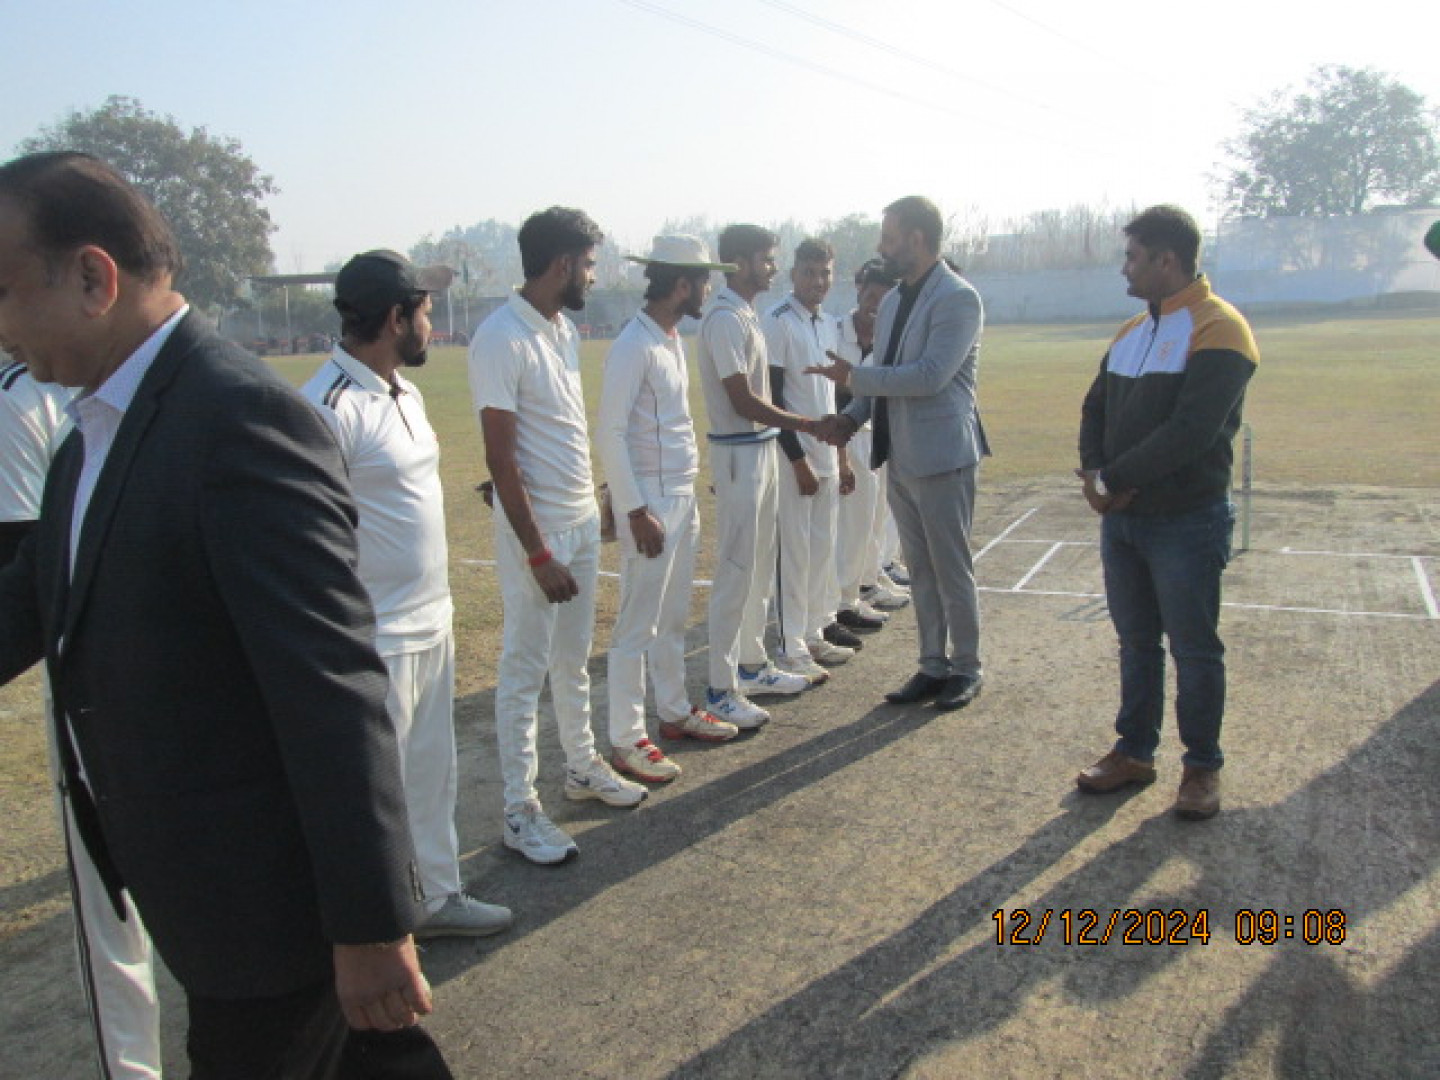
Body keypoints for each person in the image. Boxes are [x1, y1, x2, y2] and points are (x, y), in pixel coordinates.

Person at [0, 151, 451, 1077]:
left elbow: (331, 686)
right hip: (202, 897)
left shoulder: (237, 419)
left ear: (92, 278)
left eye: (0, 291)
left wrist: (371, 924)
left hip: (270, 912)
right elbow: (35, 599)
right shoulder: (88, 435)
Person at [301, 250, 512, 937]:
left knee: (430, 775)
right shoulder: (326, 407)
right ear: (396, 317)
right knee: (371, 795)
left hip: (431, 619)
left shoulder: (404, 393)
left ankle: (436, 898)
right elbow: (309, 539)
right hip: (375, 635)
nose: (433, 325)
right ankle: (372, 927)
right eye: (426, 311)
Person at [468, 207, 647, 867]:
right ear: (563, 263)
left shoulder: (562, 329)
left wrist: (595, 501)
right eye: (589, 264)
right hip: (538, 538)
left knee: (573, 659)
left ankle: (581, 766)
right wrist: (538, 551)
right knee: (523, 669)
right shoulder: (500, 336)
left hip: (579, 522)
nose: (593, 277)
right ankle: (520, 811)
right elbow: (501, 459)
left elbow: (562, 429)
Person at [2, 358, 164, 1079]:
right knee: (113, 911)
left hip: (191, 689)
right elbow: (24, 576)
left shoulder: (182, 388)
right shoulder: (22, 399)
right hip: (95, 696)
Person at [1073, 204, 1259, 821]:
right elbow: (1095, 407)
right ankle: (1134, 752)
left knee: (1194, 649)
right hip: (1123, 519)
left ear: (1167, 259)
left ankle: (1202, 766)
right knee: (1136, 644)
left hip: (1186, 520)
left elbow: (1191, 432)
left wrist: (1114, 479)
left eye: (1133, 257)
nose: (1124, 268)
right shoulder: (1132, 330)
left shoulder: (1220, 328)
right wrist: (1095, 476)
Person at [811, 196, 990, 712]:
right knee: (921, 569)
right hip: (902, 455)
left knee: (951, 568)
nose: (881, 247)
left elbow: (929, 376)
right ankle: (932, 665)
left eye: (889, 238)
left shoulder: (958, 298)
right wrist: (851, 417)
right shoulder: (892, 301)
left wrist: (854, 378)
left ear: (917, 238)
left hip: (944, 455)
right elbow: (882, 373)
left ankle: (967, 666)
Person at [598, 236, 742, 784]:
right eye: (704, 280)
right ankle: (626, 738)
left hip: (680, 494)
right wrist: (635, 510)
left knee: (673, 618)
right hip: (651, 502)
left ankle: (675, 712)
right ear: (682, 284)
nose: (709, 289)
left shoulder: (670, 338)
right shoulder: (633, 344)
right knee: (636, 625)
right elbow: (610, 432)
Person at [697, 224, 822, 729]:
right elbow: (742, 401)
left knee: (760, 564)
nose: (772, 268)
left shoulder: (746, 314)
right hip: (737, 454)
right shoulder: (723, 318)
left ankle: (752, 665)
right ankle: (720, 687)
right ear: (739, 263)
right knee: (735, 571)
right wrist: (806, 424)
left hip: (761, 449)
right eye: (766, 259)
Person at [763, 238, 861, 679]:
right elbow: (773, 398)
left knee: (822, 549)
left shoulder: (828, 325)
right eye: (809, 272)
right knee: (795, 554)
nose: (818, 281)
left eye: (825, 273)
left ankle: (814, 631)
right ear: (793, 273)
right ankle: (790, 645)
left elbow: (834, 398)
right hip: (794, 459)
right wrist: (797, 459)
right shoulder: (778, 321)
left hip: (826, 454)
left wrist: (841, 457)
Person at [831, 259, 908, 632]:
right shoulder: (834, 332)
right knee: (850, 524)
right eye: (870, 295)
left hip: (875, 433)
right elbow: (832, 392)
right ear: (858, 291)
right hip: (842, 434)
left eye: (883, 298)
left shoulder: (890, 338)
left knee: (873, 519)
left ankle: (867, 582)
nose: (874, 305)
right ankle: (844, 598)